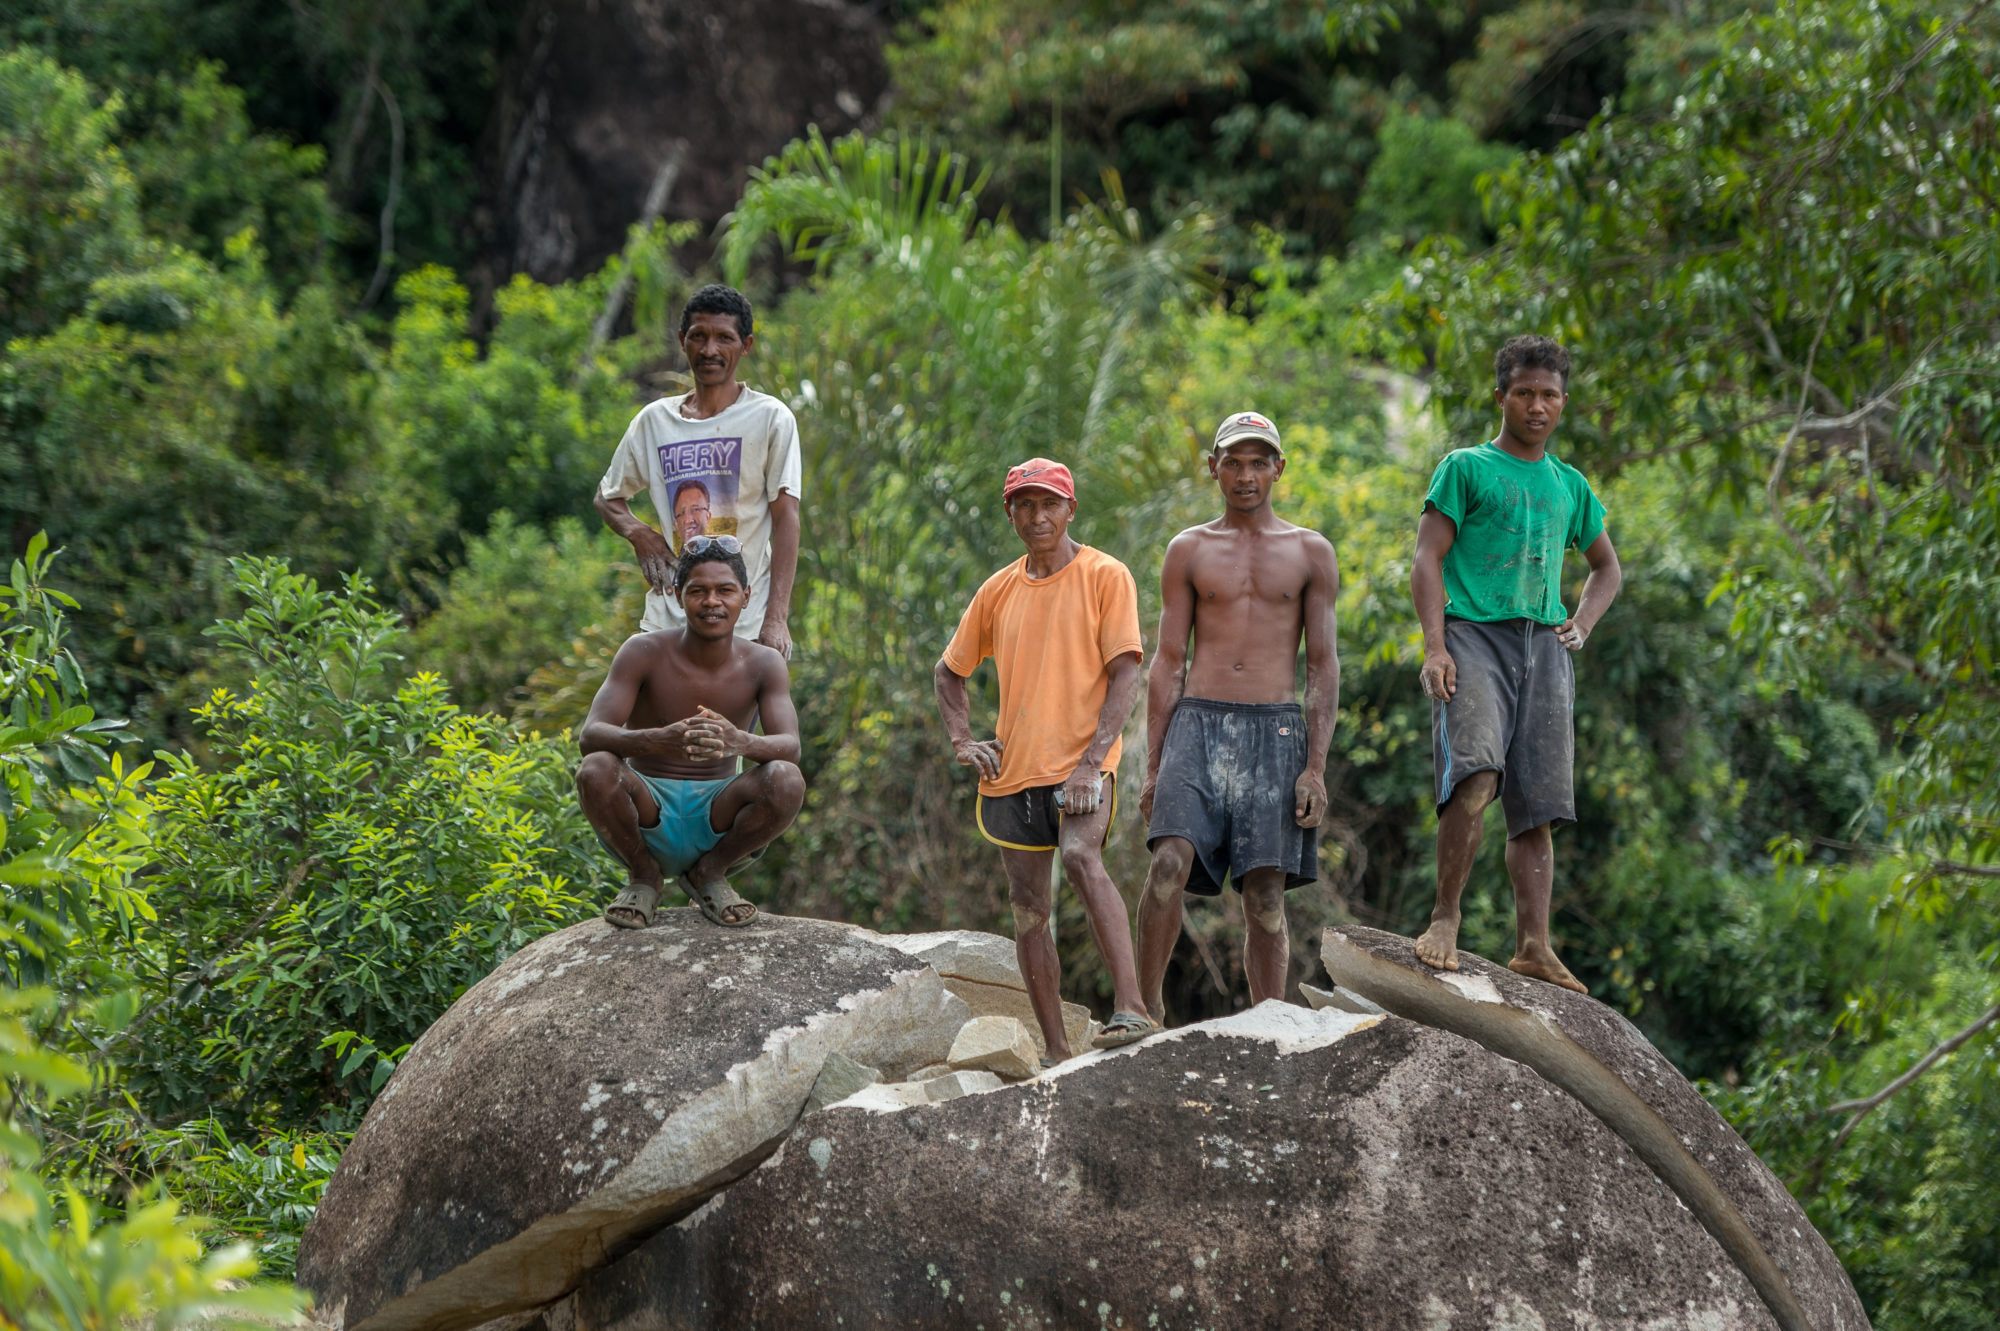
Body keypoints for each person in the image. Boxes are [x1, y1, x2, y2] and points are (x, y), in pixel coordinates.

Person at [1410, 335, 1622, 993]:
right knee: (1476, 778)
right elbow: (1427, 558)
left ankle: (1534, 943)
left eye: (1550, 395)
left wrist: (1580, 622)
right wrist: (1436, 645)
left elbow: (1606, 567)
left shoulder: (1569, 484)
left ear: (1563, 402)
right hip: (1475, 634)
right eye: (1525, 392)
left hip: (1544, 648)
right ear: (1500, 395)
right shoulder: (1466, 468)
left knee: (1539, 806)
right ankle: (1446, 917)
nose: (1537, 405)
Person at [934, 459, 1157, 1059]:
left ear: (1070, 510)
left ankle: (1133, 1009)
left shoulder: (1105, 575)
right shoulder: (998, 589)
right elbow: (948, 673)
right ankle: (1057, 1049)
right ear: (1011, 513)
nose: (1038, 516)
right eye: (1025, 506)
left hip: (1083, 766)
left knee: (1083, 857)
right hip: (1011, 772)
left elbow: (1126, 675)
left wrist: (1092, 761)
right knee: (1028, 907)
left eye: (1049, 504)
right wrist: (963, 739)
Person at [1135, 412, 1339, 1022]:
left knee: (1266, 896)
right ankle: (1142, 1008)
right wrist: (1153, 766)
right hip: (1197, 724)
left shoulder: (1310, 552)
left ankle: (1268, 1025)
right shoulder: (1189, 549)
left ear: (1279, 467)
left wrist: (1315, 768)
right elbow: (1168, 661)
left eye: (1258, 462)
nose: (1246, 475)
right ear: (1213, 467)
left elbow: (1323, 667)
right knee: (1169, 862)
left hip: (1275, 728)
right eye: (1233, 462)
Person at [575, 537, 805, 930]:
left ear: (746, 597)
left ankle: (709, 874)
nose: (712, 601)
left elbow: (790, 747)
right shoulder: (642, 651)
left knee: (785, 779)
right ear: (679, 597)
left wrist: (739, 741)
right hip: (646, 810)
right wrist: (658, 739)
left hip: (717, 815)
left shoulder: (764, 663)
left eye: (725, 590)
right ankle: (644, 876)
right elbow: (591, 735)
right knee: (596, 769)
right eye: (697, 591)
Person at [595, 284, 803, 658]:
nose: (710, 350)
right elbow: (608, 498)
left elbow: (786, 517)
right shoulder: (654, 422)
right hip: (667, 623)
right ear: (682, 341)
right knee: (653, 719)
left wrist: (776, 618)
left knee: (729, 721)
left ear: (746, 346)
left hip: (746, 626)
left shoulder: (770, 419)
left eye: (724, 338)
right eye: (698, 337)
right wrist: (642, 535)